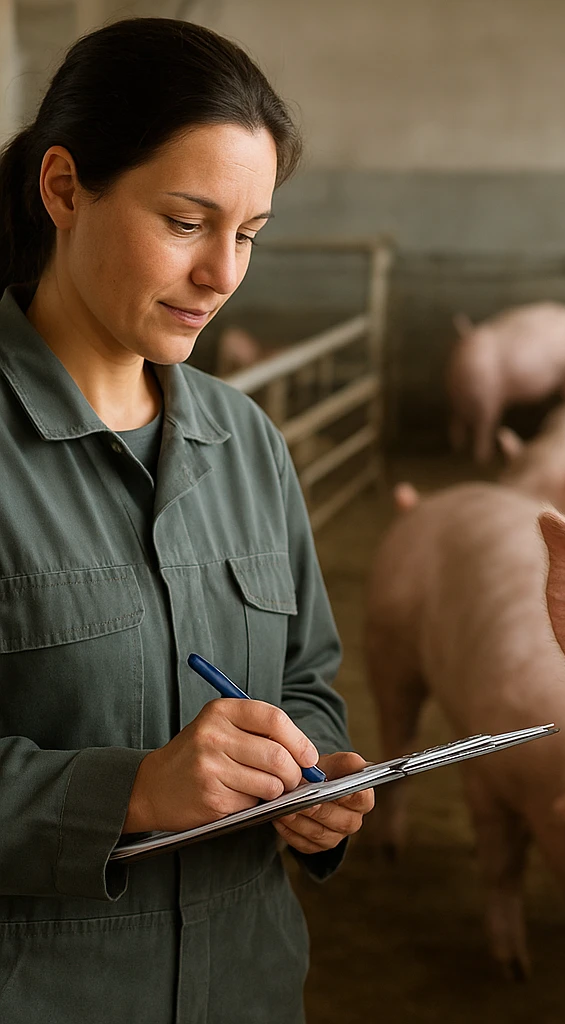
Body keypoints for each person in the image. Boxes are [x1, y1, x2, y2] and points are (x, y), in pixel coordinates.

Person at [0, 17, 373, 1022]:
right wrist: (131, 791)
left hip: (247, 987)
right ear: (64, 188)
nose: (223, 273)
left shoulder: (247, 443)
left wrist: (312, 777)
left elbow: (306, 680)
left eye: (247, 234)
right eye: (184, 221)